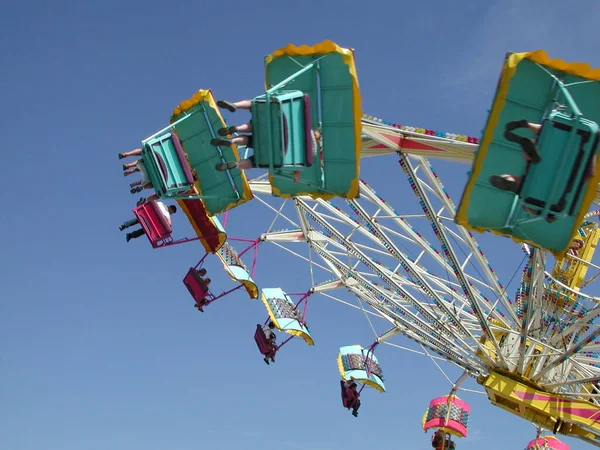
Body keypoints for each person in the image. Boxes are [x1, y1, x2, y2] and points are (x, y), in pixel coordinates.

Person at [489, 119, 597, 219]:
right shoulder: (565, 202)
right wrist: (535, 212)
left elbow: (591, 174)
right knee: (528, 176)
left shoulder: (584, 143)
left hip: (568, 160)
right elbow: (552, 218)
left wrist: (592, 154)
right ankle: (512, 181)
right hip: (550, 189)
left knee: (546, 138)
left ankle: (528, 125)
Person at [213, 99, 322, 183]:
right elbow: (298, 168)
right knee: (253, 161)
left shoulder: (303, 123)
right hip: (274, 152)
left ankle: (236, 121)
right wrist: (297, 176)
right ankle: (236, 164)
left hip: (273, 126)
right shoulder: (310, 153)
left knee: (255, 112)